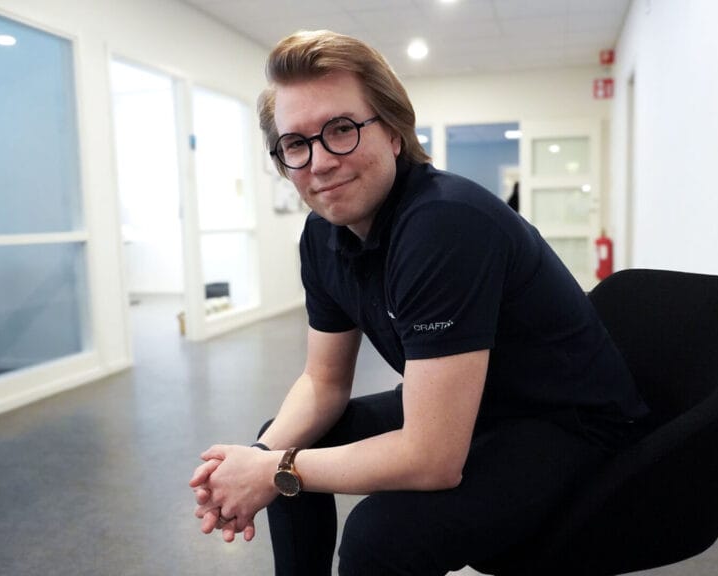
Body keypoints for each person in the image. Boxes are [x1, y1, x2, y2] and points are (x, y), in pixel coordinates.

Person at [189, 30, 648, 575]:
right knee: (282, 439)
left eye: (341, 129)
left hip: (566, 423)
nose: (319, 162)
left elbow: (433, 459)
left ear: (394, 132)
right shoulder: (321, 235)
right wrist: (260, 461)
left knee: (378, 536)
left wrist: (272, 471)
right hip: (474, 402)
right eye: (295, 144)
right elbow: (323, 382)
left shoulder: (443, 224)